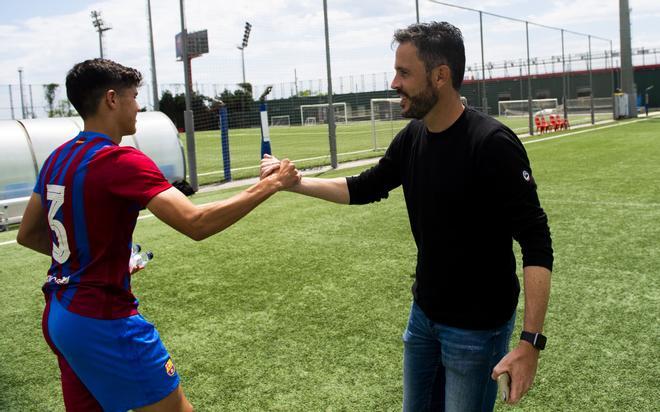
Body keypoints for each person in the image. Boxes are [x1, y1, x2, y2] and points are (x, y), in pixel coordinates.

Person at [261, 22, 553, 411]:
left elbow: (536, 241)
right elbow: (364, 187)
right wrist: (296, 183)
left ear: (440, 76)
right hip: (424, 318)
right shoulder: (412, 137)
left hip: (477, 330)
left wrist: (530, 343)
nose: (394, 82)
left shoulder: (491, 144)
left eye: (404, 73)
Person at [17, 58, 300, 412]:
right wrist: (272, 184)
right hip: (103, 319)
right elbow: (196, 222)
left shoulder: (57, 158)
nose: (139, 106)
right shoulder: (120, 160)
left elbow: (28, 234)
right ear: (111, 99)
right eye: (134, 96)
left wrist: (91, 258)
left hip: (60, 316)